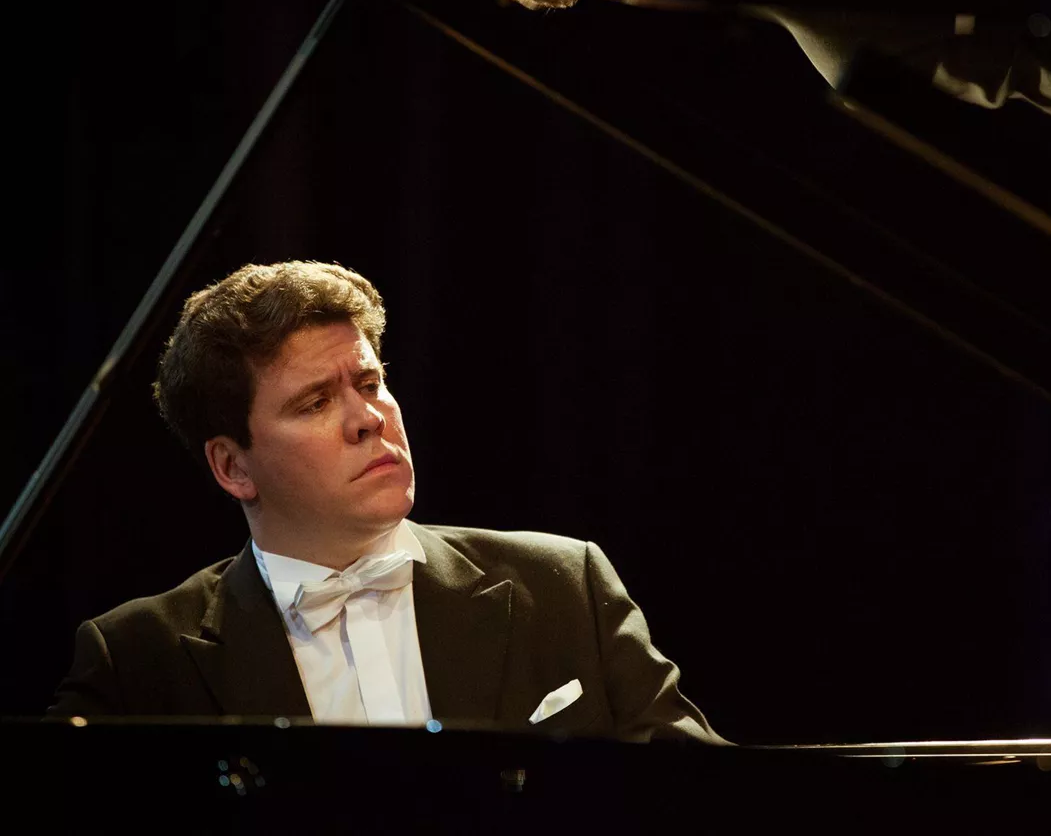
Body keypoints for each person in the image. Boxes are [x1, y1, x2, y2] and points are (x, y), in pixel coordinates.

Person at [48, 260, 723, 743]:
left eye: (369, 383)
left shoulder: (564, 586)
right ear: (233, 466)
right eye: (316, 402)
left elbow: (707, 802)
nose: (369, 418)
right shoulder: (137, 660)